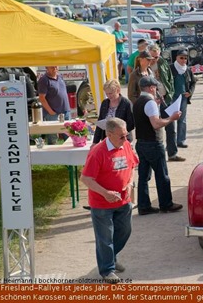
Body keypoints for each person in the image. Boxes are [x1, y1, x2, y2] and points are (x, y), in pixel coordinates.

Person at [80, 117, 138, 283]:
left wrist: (129, 183)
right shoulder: (98, 152)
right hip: (102, 204)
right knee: (105, 238)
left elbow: (132, 166)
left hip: (123, 200)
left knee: (125, 231)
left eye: (126, 135)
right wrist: (105, 193)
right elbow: (86, 178)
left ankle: (111, 258)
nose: (125, 139)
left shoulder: (125, 145)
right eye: (121, 136)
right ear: (109, 134)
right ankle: (107, 270)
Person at [132, 76, 183, 215]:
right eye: (155, 88)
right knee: (162, 175)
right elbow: (156, 124)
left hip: (141, 142)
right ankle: (166, 204)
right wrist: (171, 118)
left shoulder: (137, 102)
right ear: (151, 88)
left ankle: (143, 206)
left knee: (143, 176)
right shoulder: (150, 103)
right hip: (153, 143)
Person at [148, 44, 185, 162]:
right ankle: (153, 156)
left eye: (157, 57)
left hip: (165, 99)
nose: (155, 60)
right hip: (151, 102)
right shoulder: (144, 68)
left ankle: (172, 154)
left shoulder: (163, 63)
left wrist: (170, 93)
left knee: (170, 127)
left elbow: (170, 79)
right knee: (153, 129)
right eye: (152, 57)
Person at [92, 79, 135, 146]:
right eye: (107, 94)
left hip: (123, 140)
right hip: (107, 140)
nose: (109, 96)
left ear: (118, 90)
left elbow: (131, 123)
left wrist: (119, 132)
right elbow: (99, 124)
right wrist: (95, 142)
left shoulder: (126, 103)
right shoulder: (105, 103)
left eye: (111, 93)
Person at [169, 49, 196, 149]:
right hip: (172, 97)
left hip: (183, 98)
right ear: (176, 58)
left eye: (185, 58)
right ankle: (171, 142)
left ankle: (181, 140)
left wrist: (190, 92)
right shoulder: (170, 68)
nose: (183, 60)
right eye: (181, 58)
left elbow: (193, 82)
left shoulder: (188, 70)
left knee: (182, 120)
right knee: (170, 120)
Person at [37, 66, 70, 145]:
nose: (54, 68)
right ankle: (52, 156)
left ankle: (68, 155)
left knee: (69, 136)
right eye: (52, 67)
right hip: (53, 113)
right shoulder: (44, 80)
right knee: (53, 137)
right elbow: (41, 98)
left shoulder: (60, 77)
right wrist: (50, 111)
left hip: (65, 111)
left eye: (56, 66)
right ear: (46, 68)